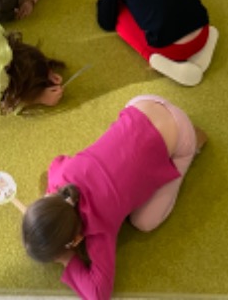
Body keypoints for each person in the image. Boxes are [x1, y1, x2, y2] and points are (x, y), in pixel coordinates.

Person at [21, 95, 206, 300]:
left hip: (181, 131)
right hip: (142, 104)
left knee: (144, 222)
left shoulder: (100, 230)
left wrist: (67, 259)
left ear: (76, 240)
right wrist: (48, 211)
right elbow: (57, 161)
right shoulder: (60, 177)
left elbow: (99, 294)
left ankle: (191, 146)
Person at [96, 0, 218, 86]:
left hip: (173, 50)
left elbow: (106, 22)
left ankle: (163, 63)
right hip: (203, 30)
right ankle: (206, 45)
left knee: (119, 18)